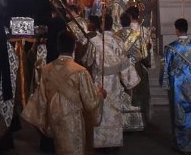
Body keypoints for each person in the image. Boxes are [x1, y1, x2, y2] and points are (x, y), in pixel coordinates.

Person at [21, 30, 104, 155]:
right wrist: (101, 95)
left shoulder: (47, 69)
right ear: (74, 46)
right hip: (73, 120)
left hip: (54, 119)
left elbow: (41, 100)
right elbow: (90, 103)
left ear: (58, 46)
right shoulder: (81, 72)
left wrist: (46, 123)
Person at [85, 14, 139, 148]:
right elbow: (124, 63)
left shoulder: (95, 41)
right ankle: (113, 141)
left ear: (101, 25)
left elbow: (88, 61)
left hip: (99, 83)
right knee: (114, 110)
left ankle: (99, 142)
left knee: (101, 110)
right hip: (115, 82)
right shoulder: (119, 41)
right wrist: (129, 80)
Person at [161, 18, 191, 152]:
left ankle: (181, 143)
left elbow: (165, 67)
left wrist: (165, 82)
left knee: (179, 112)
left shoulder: (171, 48)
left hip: (177, 86)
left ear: (177, 29)